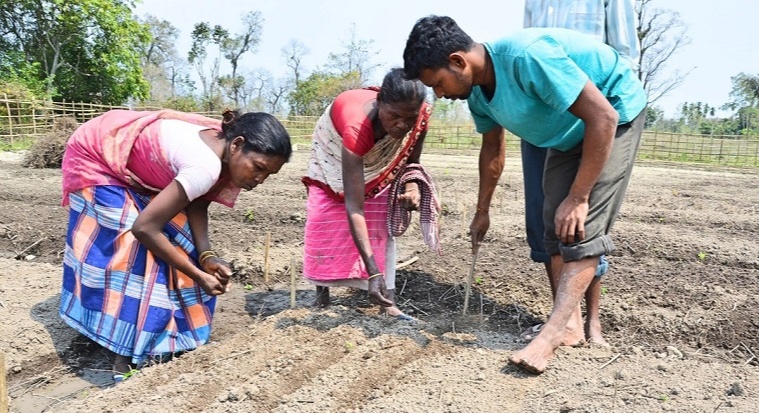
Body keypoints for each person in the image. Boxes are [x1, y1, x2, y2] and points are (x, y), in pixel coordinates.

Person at [403, 16, 646, 373]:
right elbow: (492, 150)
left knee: (581, 225)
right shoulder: (478, 95)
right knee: (551, 225)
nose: (439, 94)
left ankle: (549, 336)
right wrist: (482, 210)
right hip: (569, 132)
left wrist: (579, 197)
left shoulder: (527, 57)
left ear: (458, 61)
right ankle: (571, 327)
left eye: (437, 84)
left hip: (614, 116)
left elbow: (603, 117)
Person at [60, 109, 292, 381]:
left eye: (268, 175)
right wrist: (199, 276)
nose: (259, 180)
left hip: (129, 157)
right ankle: (125, 350)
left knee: (180, 243)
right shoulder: (204, 166)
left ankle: (166, 332)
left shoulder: (222, 150)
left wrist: (207, 257)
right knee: (136, 255)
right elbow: (145, 228)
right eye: (259, 168)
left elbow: (198, 200)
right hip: (97, 154)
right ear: (238, 144)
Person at [520, 0, 641, 345]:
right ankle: (563, 322)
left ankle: (593, 323)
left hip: (589, 114)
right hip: (544, 115)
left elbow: (625, 56)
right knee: (544, 213)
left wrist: (595, 116)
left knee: (585, 222)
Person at [302, 68, 440, 320]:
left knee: (378, 211)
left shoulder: (420, 117)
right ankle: (322, 296)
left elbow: (412, 161)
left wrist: (411, 186)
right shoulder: (357, 128)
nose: (402, 125)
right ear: (379, 103)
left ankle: (388, 303)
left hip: (368, 153)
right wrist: (372, 272)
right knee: (326, 213)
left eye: (409, 118)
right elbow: (354, 207)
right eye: (394, 116)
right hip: (335, 145)